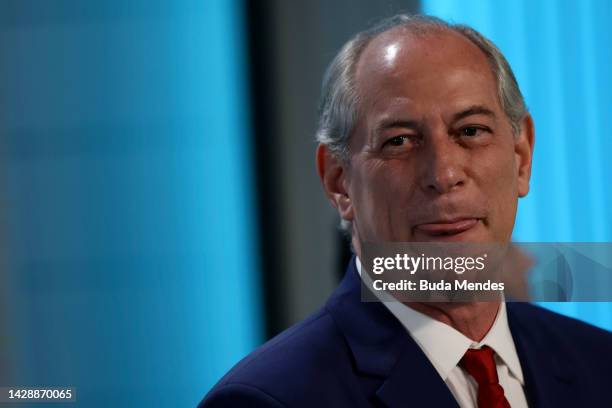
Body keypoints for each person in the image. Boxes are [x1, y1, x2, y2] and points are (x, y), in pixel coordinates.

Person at [200, 14, 612, 408]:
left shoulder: (600, 365)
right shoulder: (268, 400)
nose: (444, 174)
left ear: (521, 157)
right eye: (399, 141)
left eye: (470, 131)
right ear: (339, 181)